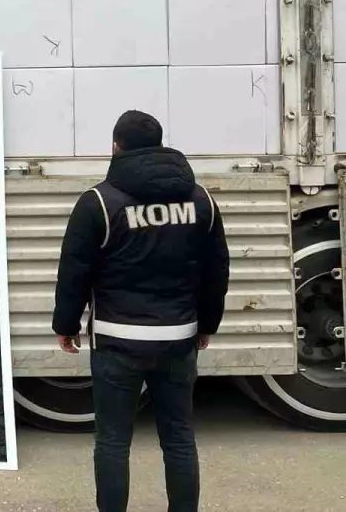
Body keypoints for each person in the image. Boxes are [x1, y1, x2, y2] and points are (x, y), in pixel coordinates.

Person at [52, 110, 229, 512]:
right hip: (178, 338)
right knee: (179, 438)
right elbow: (217, 268)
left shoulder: (98, 202)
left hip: (117, 341)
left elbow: (74, 269)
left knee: (113, 441)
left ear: (116, 146)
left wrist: (66, 323)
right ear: (160, 144)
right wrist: (207, 323)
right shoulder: (201, 201)